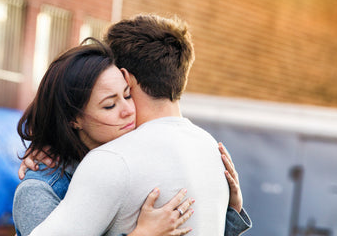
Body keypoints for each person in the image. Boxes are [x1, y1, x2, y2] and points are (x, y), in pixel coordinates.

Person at [22, 14, 251, 235]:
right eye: (110, 104)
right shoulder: (213, 151)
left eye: (122, 95)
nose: (124, 110)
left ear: (125, 78)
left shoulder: (111, 160)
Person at [13, 42, 195, 236]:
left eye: (127, 95)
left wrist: (232, 207)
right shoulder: (38, 190)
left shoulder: (137, 159)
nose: (128, 111)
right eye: (110, 105)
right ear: (73, 119)